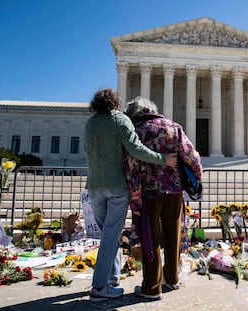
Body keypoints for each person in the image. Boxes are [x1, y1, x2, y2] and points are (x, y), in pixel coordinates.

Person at [83, 88, 177, 303]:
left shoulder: (90, 123)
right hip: (116, 186)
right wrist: (163, 159)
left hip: (94, 186)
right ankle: (99, 287)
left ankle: (112, 279)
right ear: (115, 103)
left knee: (108, 235)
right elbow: (135, 149)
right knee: (110, 235)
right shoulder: (120, 120)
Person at [124, 96, 202, 301]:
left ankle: (152, 287)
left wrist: (133, 193)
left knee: (150, 237)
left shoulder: (136, 131)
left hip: (148, 191)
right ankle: (172, 278)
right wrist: (197, 177)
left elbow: (130, 163)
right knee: (173, 234)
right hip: (174, 190)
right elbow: (191, 156)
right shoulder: (173, 127)